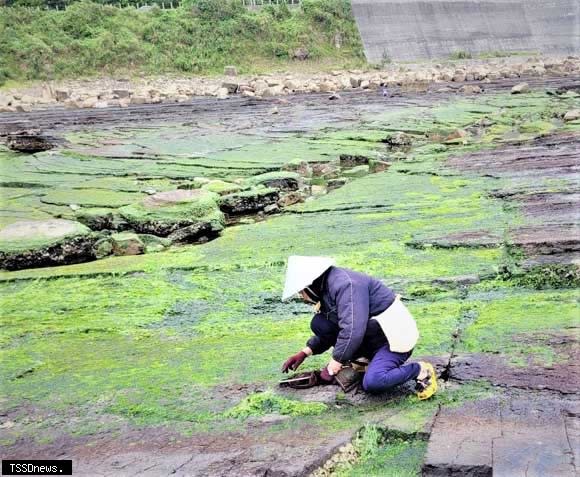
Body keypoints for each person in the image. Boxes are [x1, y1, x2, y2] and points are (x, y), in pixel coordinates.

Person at [280, 256, 437, 399]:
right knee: (320, 323)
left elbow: (352, 329)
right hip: (373, 334)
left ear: (309, 284)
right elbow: (334, 328)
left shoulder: (346, 285)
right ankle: (366, 361)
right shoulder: (326, 288)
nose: (302, 296)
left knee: (374, 382)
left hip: (392, 338)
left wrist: (333, 366)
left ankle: (420, 370)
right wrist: (305, 352)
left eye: (301, 292)